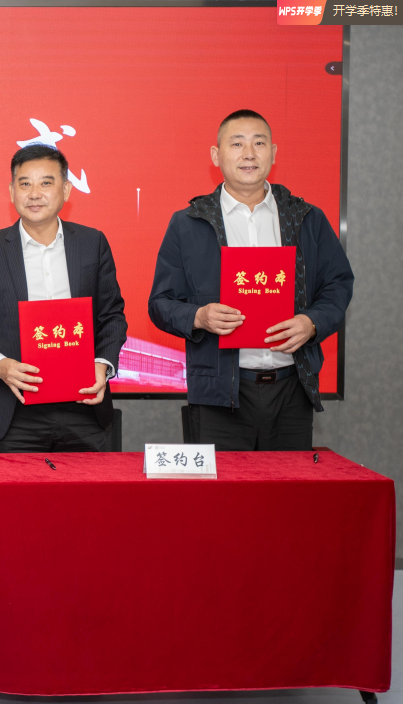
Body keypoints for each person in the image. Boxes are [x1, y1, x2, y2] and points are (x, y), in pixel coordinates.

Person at [148, 109, 354, 451]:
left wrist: (312, 322)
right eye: (237, 143)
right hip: (220, 394)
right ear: (216, 155)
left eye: (259, 143)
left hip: (292, 390)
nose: (249, 153)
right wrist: (199, 316)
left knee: (288, 486)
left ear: (273, 153)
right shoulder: (188, 223)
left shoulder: (306, 218)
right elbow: (160, 303)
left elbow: (338, 284)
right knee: (223, 488)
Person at [0, 144, 128, 453]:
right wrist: (0, 365)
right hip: (15, 410)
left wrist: (102, 365)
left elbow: (112, 315)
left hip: (84, 406)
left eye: (46, 183)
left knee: (88, 487)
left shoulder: (92, 243)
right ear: (12, 192)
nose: (34, 194)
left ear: (66, 190)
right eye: (25, 184)